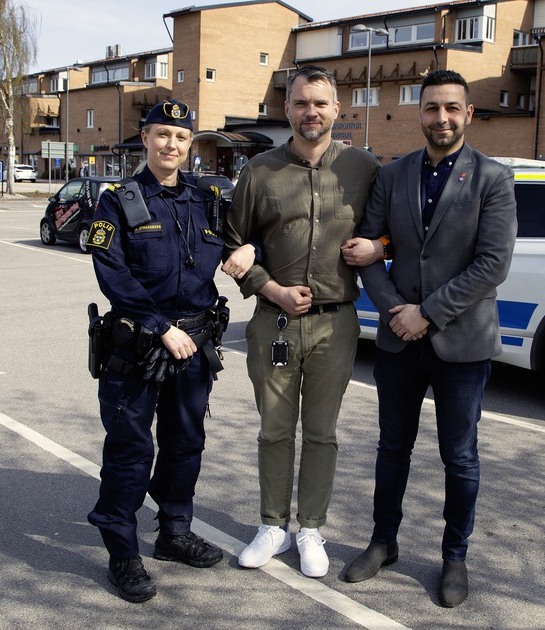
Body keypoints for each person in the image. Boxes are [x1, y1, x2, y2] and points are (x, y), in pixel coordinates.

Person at [340, 70, 517, 608]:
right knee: (392, 448)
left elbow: (493, 264)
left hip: (461, 344)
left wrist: (429, 313)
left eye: (451, 108)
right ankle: (382, 542)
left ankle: (454, 556)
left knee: (459, 456)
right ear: (419, 113)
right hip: (399, 339)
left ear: (468, 113)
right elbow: (369, 248)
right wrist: (397, 311)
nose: (441, 118)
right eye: (431, 108)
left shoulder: (493, 178)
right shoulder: (393, 176)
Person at [221, 65, 380, 578]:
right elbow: (231, 245)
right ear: (286, 109)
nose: (310, 112)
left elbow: (391, 231)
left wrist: (378, 246)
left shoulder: (364, 168)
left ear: (337, 108)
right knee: (274, 430)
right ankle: (272, 524)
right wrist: (271, 289)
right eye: (300, 103)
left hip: (337, 326)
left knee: (321, 433)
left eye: (320, 103)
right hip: (276, 323)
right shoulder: (259, 171)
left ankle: (310, 527)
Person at [85, 99, 227, 603]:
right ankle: (123, 553)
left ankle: (173, 532)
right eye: (162, 134)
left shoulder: (206, 198)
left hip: (194, 346)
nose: (172, 145)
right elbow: (112, 273)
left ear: (192, 145)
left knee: (186, 443)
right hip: (140, 344)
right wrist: (160, 326)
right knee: (131, 450)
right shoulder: (117, 201)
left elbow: (231, 245)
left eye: (182, 137)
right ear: (144, 139)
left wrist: (245, 249)